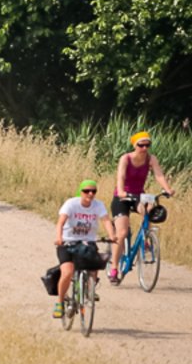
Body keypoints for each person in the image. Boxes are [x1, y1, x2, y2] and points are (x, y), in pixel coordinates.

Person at [107, 131, 175, 283]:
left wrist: (167, 189)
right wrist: (121, 191)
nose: (144, 148)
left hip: (138, 195)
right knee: (122, 232)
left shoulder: (151, 159)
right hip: (122, 197)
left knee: (149, 207)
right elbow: (121, 176)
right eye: (141, 145)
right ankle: (114, 267)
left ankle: (145, 238)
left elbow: (159, 175)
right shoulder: (126, 158)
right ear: (134, 145)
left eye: (147, 145)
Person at [53, 180, 116, 318]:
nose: (90, 194)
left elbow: (105, 220)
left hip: (88, 243)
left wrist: (112, 235)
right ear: (80, 192)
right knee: (67, 272)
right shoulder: (71, 204)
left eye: (93, 191)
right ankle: (59, 303)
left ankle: (90, 289)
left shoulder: (98, 205)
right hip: (68, 243)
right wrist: (59, 237)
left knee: (94, 265)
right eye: (87, 191)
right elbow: (60, 222)